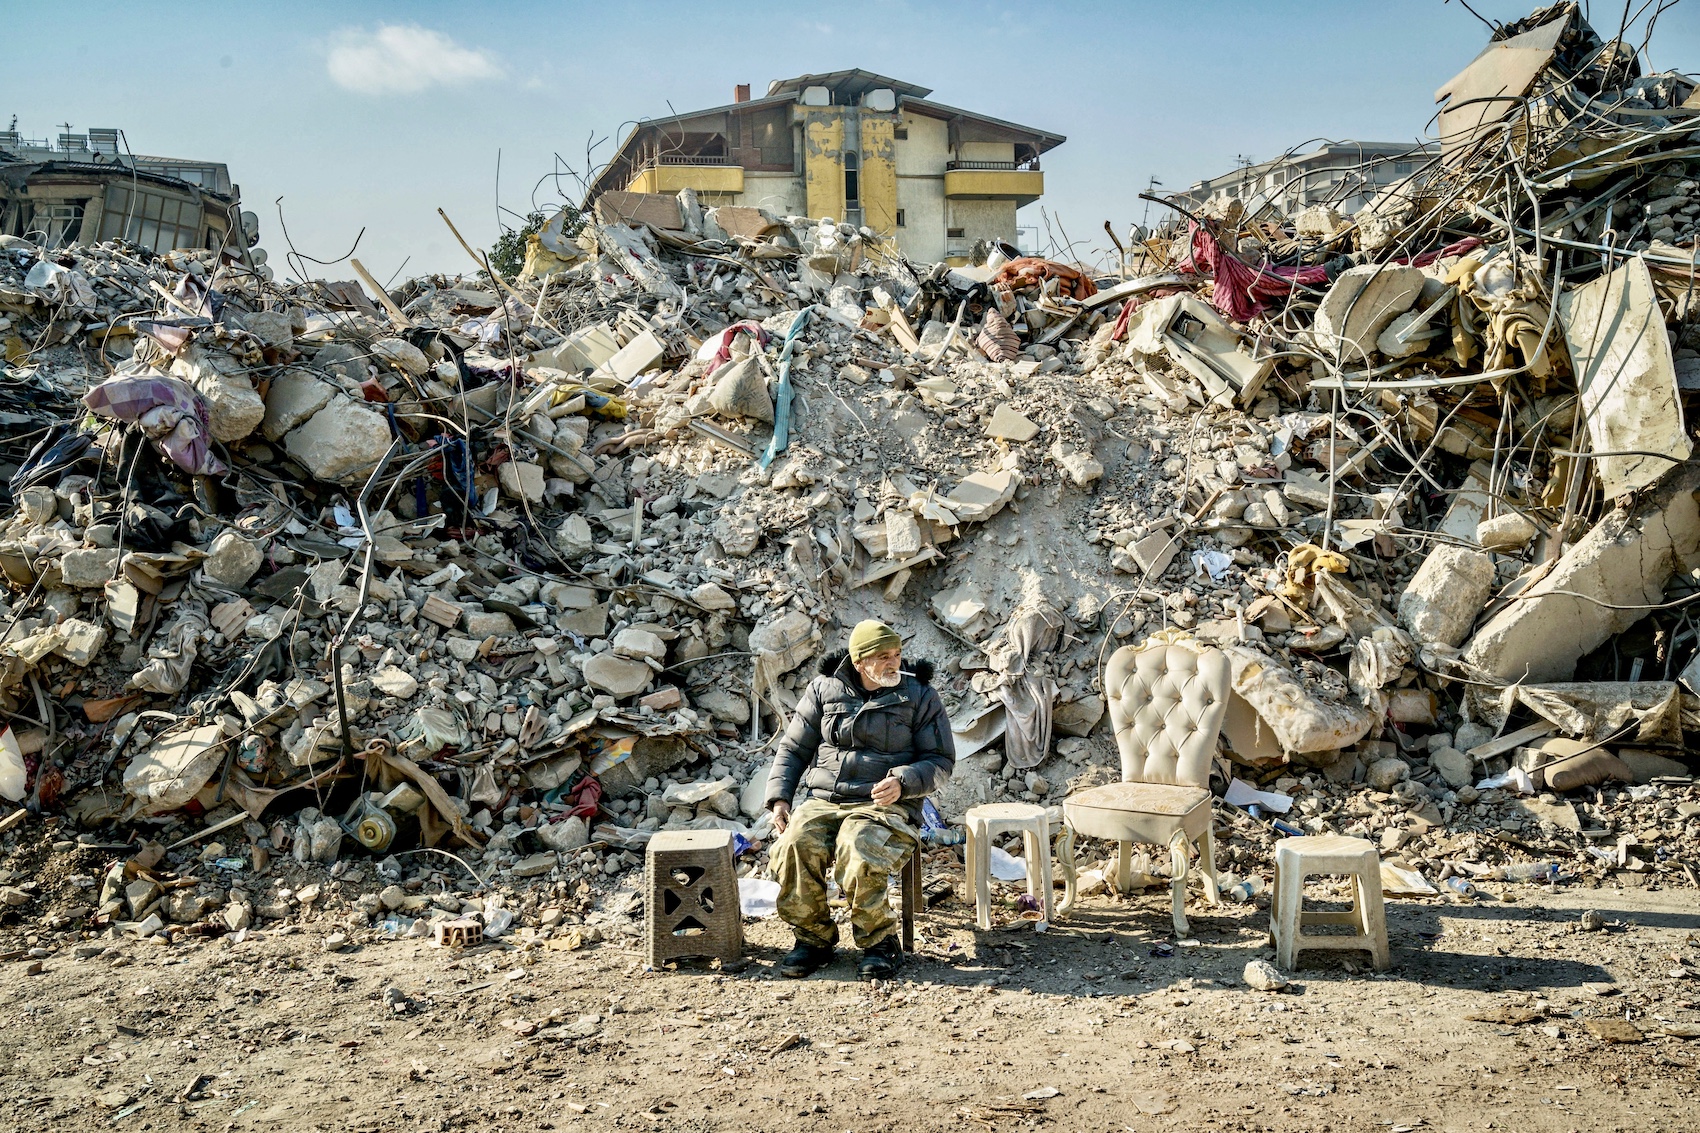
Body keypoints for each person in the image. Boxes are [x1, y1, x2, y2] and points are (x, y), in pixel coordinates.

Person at [764, 620, 955, 980]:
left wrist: (904, 781)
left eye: (896, 654)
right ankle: (813, 940)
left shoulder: (918, 694)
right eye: (883, 656)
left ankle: (879, 943)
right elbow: (793, 748)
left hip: (886, 805)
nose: (893, 663)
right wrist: (779, 799)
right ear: (859, 660)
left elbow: (942, 761)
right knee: (793, 846)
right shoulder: (824, 689)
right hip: (826, 801)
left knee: (858, 847)